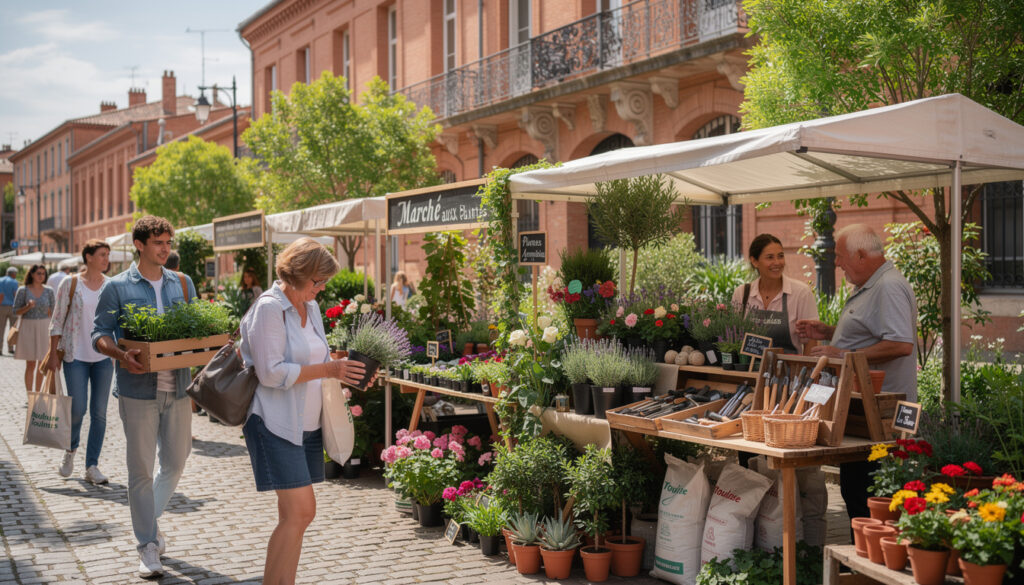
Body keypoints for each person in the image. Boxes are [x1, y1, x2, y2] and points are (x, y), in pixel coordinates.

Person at [239, 237, 368, 585]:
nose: (322, 288)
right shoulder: (269, 308)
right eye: (317, 281)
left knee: (292, 517)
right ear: (296, 274)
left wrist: (347, 371)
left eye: (324, 281)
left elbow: (320, 360)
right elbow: (271, 372)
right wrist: (329, 371)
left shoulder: (309, 308)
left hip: (307, 422)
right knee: (301, 511)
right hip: (274, 422)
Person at [92, 216, 197, 578]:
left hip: (179, 387)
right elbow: (100, 334)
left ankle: (147, 522)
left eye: (168, 243)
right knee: (140, 471)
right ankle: (148, 544)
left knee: (177, 462)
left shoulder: (183, 283)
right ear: (140, 245)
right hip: (137, 391)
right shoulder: (117, 287)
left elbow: (194, 329)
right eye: (158, 243)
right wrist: (121, 356)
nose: (166, 249)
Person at [796, 223, 917, 521]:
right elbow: (873, 334)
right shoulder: (873, 285)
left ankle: (869, 560)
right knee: (857, 490)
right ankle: (863, 557)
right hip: (867, 413)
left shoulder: (887, 286)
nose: (836, 263)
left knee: (870, 496)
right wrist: (829, 332)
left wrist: (842, 354)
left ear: (861, 255)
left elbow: (901, 344)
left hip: (882, 416)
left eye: (840, 256)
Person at [46, 239, 113, 484]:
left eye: (108, 254)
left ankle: (92, 466)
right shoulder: (70, 283)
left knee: (100, 413)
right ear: (89, 257)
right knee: (78, 409)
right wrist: (53, 354)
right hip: (75, 356)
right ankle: (70, 449)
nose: (106, 259)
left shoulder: (111, 285)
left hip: (104, 358)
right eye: (102, 254)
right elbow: (57, 320)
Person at [731, 234, 818, 354]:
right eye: (770, 257)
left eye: (780, 256)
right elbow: (733, 338)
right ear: (755, 261)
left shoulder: (801, 293)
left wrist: (806, 371)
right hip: (749, 371)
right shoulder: (741, 294)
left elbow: (811, 343)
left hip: (788, 371)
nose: (777, 262)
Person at [13, 264, 55, 394]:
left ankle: (38, 393)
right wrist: (28, 307)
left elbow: (54, 312)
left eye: (43, 273)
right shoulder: (23, 290)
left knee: (42, 363)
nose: (41, 276)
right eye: (38, 273)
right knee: (30, 364)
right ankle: (30, 393)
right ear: (31, 274)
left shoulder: (49, 291)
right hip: (28, 327)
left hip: (44, 326)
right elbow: (16, 311)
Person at [0, 266, 19, 354]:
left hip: (1, 307)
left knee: (1, 328)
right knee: (12, 328)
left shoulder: (0, 280)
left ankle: (0, 348)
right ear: (13, 274)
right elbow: (16, 295)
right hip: (12, 307)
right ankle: (10, 348)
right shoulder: (14, 282)